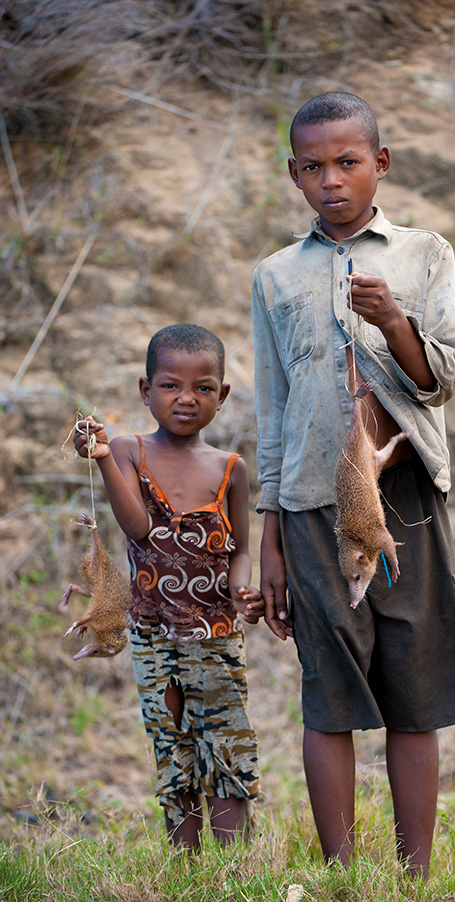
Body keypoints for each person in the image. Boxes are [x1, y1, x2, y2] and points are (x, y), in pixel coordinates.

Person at [252, 92, 455, 878]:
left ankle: (415, 878)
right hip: (313, 508)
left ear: (379, 164)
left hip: (407, 501)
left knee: (414, 689)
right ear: (293, 174)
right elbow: (275, 411)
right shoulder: (275, 277)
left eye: (348, 162)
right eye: (313, 166)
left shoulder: (424, 254)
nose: (331, 180)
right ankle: (342, 878)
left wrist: (393, 322)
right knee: (330, 694)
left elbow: (443, 378)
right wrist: (271, 540)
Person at [72, 323, 262, 850]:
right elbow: (137, 527)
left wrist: (241, 589)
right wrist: (105, 457)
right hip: (154, 636)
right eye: (170, 385)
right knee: (171, 743)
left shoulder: (230, 468)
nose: (186, 398)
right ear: (145, 390)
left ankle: (233, 868)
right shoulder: (129, 451)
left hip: (216, 634)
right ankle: (184, 865)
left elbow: (241, 548)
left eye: (203, 388)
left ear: (222, 396)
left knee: (225, 743)